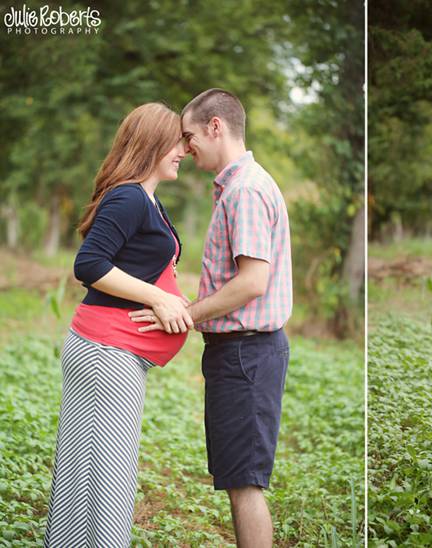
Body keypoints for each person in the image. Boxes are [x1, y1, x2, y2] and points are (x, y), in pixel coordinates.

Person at [130, 88, 292, 547]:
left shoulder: (245, 190)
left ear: (215, 127)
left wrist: (183, 313)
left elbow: (252, 282)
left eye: (189, 135)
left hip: (247, 353)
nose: (184, 147)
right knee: (238, 479)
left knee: (246, 486)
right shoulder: (239, 187)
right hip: (239, 354)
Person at [44, 103, 193, 547]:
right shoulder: (128, 196)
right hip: (104, 355)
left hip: (113, 355)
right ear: (150, 143)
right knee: (106, 476)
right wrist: (159, 297)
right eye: (176, 140)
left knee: (95, 468)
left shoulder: (146, 198)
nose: (184, 149)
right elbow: (88, 264)